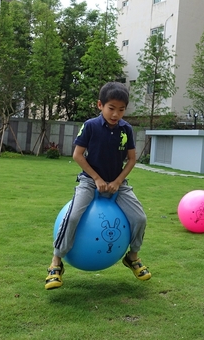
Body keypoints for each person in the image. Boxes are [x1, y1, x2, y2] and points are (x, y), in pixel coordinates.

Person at [45, 82, 152, 290]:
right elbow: (78, 154)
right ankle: (55, 264)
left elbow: (131, 159)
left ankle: (132, 257)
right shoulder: (91, 126)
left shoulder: (126, 129)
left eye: (121, 110)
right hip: (89, 181)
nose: (116, 114)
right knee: (73, 215)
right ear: (100, 105)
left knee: (140, 218)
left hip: (117, 184)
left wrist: (118, 181)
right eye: (111, 108)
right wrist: (96, 179)